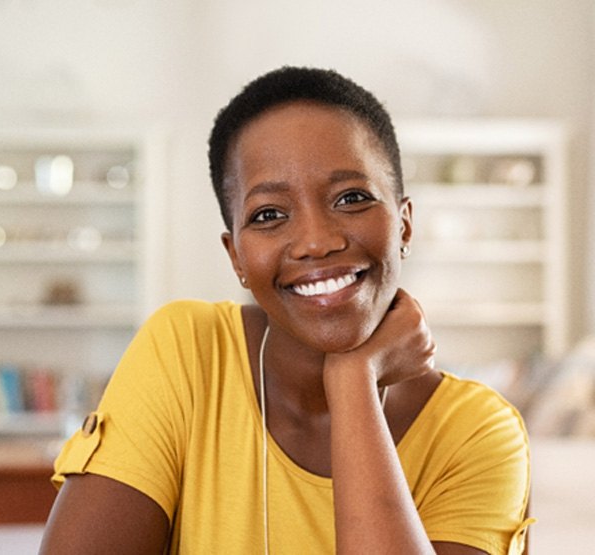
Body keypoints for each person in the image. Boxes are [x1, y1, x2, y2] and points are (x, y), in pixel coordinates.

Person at [39, 67, 532, 555]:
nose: (317, 242)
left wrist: (353, 380)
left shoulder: (478, 433)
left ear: (404, 226)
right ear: (236, 256)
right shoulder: (188, 350)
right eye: (269, 214)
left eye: (352, 198)